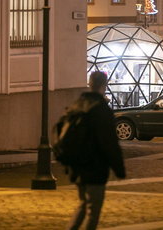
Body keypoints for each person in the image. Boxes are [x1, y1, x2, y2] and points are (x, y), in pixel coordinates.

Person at [67, 71, 126, 230]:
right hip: (95, 168)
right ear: (104, 85)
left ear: (90, 83)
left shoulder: (78, 105)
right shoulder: (101, 110)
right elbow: (109, 143)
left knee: (83, 204)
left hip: (77, 167)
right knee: (93, 211)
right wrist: (119, 169)